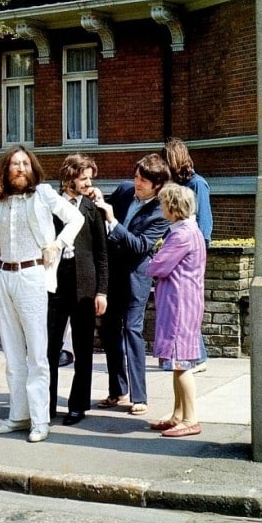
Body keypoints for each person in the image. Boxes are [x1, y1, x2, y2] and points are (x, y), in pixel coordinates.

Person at [0, 145, 84, 442]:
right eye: (14, 163)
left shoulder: (42, 193)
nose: (19, 168)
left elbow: (75, 218)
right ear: (6, 168)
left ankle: (40, 421)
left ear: (32, 168)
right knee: (12, 352)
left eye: (24, 163)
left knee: (38, 355)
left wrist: (57, 244)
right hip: (4, 276)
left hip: (32, 276)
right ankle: (18, 415)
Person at [94, 154, 171, 416]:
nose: (137, 183)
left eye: (144, 180)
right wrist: (97, 198)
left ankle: (140, 397)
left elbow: (139, 246)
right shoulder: (125, 190)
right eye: (137, 176)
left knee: (133, 333)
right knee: (109, 332)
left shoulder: (160, 212)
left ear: (157, 185)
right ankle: (117, 391)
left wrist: (113, 221)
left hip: (135, 278)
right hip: (111, 276)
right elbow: (103, 207)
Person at [47, 153, 108, 426]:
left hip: (85, 286)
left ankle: (77, 405)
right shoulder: (50, 205)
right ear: (69, 178)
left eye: (90, 178)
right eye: (84, 178)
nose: (88, 183)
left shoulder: (92, 208)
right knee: (49, 349)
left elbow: (101, 254)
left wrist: (102, 292)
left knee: (83, 349)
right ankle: (46, 405)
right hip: (54, 284)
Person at [147, 183, 206, 436]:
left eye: (163, 203)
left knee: (181, 363)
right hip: (183, 301)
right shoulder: (189, 230)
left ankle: (190, 419)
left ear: (172, 206)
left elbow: (158, 266)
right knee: (176, 362)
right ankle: (178, 414)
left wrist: (151, 259)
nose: (160, 207)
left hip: (179, 304)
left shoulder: (182, 235)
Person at [161, 137, 213, 374]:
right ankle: (189, 356)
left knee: (187, 307)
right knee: (181, 309)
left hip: (191, 254)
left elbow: (203, 226)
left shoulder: (197, 185)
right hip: (180, 250)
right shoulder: (176, 185)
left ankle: (196, 357)